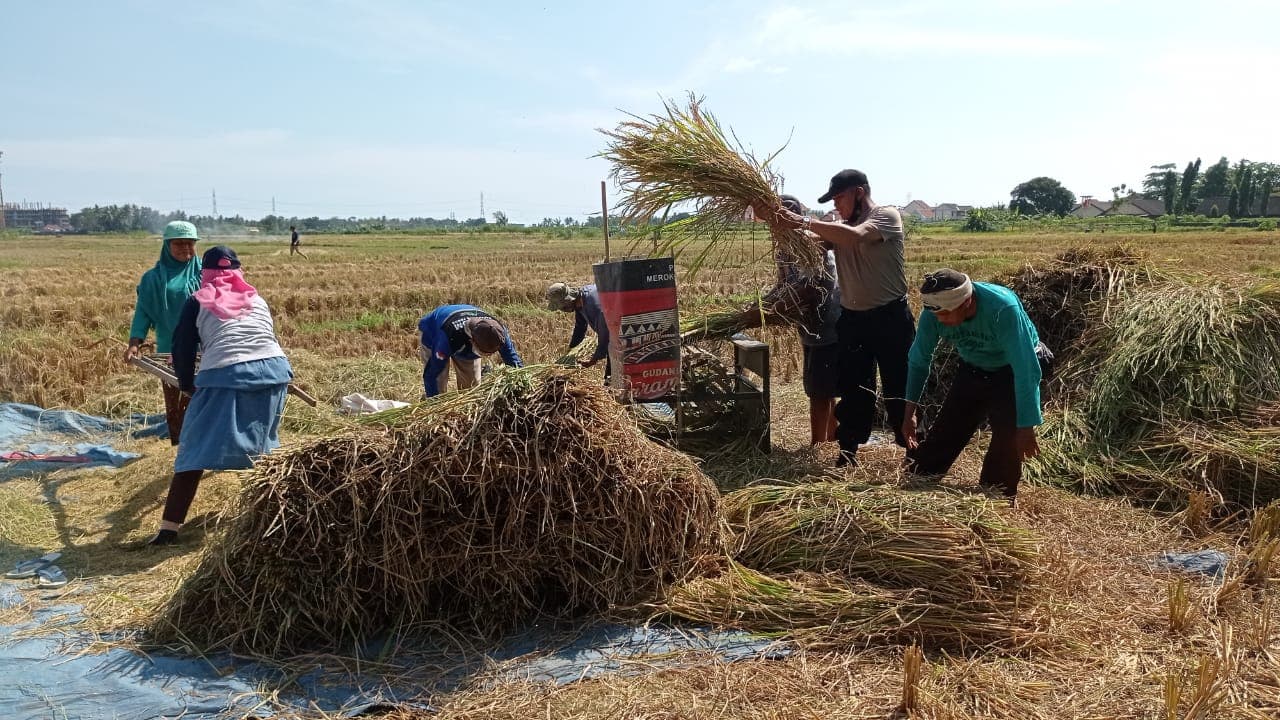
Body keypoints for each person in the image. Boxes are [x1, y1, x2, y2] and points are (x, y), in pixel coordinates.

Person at [768, 169, 915, 466]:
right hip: (853, 320)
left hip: (890, 318)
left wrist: (802, 220)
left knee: (898, 386)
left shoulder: (886, 216)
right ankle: (847, 451)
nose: (836, 206)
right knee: (854, 388)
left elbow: (856, 237)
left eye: (839, 198)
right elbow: (812, 243)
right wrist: (776, 220)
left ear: (859, 192)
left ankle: (913, 449)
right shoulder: (841, 226)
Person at [148, 246, 293, 545]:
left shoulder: (198, 300)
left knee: (193, 448)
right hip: (276, 372)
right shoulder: (257, 299)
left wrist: (187, 385)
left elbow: (182, 349)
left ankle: (168, 529)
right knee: (263, 447)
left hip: (228, 374)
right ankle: (273, 516)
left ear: (206, 274)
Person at [901, 269, 1045, 502]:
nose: (941, 321)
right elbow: (918, 361)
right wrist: (909, 413)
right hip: (974, 365)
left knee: (1006, 440)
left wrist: (1026, 426)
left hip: (1013, 367)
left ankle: (997, 498)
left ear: (967, 302)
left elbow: (1026, 370)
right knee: (947, 430)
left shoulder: (1002, 309)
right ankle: (920, 482)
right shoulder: (934, 311)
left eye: (946, 315)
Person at [124, 220, 203, 445]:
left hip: (208, 348)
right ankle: (181, 447)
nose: (186, 249)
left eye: (190, 244)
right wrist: (134, 343)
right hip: (171, 350)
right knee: (177, 400)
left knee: (209, 398)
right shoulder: (153, 279)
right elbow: (143, 313)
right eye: (179, 244)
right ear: (167, 245)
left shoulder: (205, 273)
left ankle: (206, 444)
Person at [777, 195, 841, 445]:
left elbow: (811, 286)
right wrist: (761, 306)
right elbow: (782, 284)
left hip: (827, 323)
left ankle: (818, 446)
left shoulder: (813, 245)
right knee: (823, 387)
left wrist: (779, 305)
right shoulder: (783, 249)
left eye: (786, 217)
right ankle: (830, 438)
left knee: (819, 390)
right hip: (807, 324)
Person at [418, 304, 523, 398]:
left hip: (462, 336)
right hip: (433, 331)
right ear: (472, 340)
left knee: (471, 391)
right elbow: (432, 374)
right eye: (483, 353)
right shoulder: (447, 340)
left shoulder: (498, 332)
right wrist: (433, 404)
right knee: (438, 385)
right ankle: (427, 400)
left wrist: (523, 385)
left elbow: (514, 362)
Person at [546, 282, 611, 377]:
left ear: (567, 301)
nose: (562, 310)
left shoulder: (594, 305)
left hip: (623, 336)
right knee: (611, 377)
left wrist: (593, 360)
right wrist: (571, 350)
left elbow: (606, 336)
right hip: (613, 335)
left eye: (562, 307)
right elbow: (580, 328)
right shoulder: (579, 301)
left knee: (614, 375)